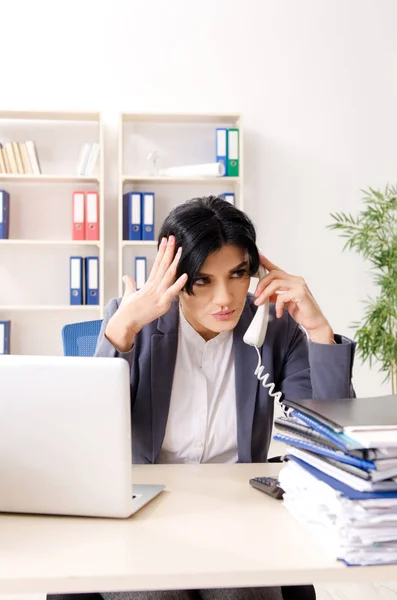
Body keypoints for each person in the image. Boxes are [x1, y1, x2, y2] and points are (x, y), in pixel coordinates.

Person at [66, 195, 356, 600]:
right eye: (203, 280)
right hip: (144, 512)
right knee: (152, 594)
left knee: (244, 591)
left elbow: (332, 441)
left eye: (238, 274)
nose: (226, 298)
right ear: (174, 278)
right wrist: (123, 328)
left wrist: (320, 331)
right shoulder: (133, 318)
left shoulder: (273, 328)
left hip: (237, 512)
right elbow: (83, 440)